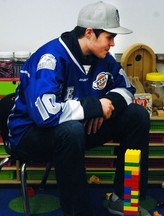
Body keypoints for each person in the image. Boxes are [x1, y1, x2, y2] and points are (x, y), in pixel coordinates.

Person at [6, 1, 151, 216]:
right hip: (28, 135)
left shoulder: (103, 59)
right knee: (71, 131)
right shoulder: (50, 58)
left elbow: (127, 89)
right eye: (109, 37)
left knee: (137, 115)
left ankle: (124, 198)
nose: (112, 44)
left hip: (75, 130)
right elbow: (45, 114)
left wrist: (107, 104)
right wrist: (93, 107)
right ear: (90, 33)